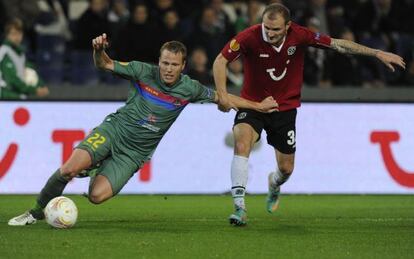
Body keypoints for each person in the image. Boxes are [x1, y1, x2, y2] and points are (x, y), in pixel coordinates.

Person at [8, 34, 278, 226]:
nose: (168, 69)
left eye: (174, 65)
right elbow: (104, 64)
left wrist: (259, 106)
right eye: (164, 63)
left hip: (135, 153)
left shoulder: (190, 88)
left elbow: (226, 98)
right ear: (158, 61)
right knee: (68, 169)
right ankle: (34, 212)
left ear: (183, 66)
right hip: (114, 131)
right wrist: (98, 50)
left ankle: (94, 167)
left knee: (96, 196)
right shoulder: (141, 71)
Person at [212, 3, 406, 226]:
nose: (270, 33)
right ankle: (239, 207)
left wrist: (376, 52)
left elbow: (338, 45)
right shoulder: (249, 36)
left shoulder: (300, 35)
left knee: (286, 169)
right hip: (253, 105)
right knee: (242, 140)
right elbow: (220, 60)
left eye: (276, 29)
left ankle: (274, 184)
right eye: (267, 27)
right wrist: (224, 95)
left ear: (287, 26)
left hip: (284, 109)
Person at [0, 18, 49, 99]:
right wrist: (34, 90)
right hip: (5, 97)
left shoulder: (20, 53)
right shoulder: (4, 52)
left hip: (17, 95)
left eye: (19, 33)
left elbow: (30, 70)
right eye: (13, 34)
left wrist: (41, 85)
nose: (17, 37)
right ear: (7, 35)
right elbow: (12, 80)